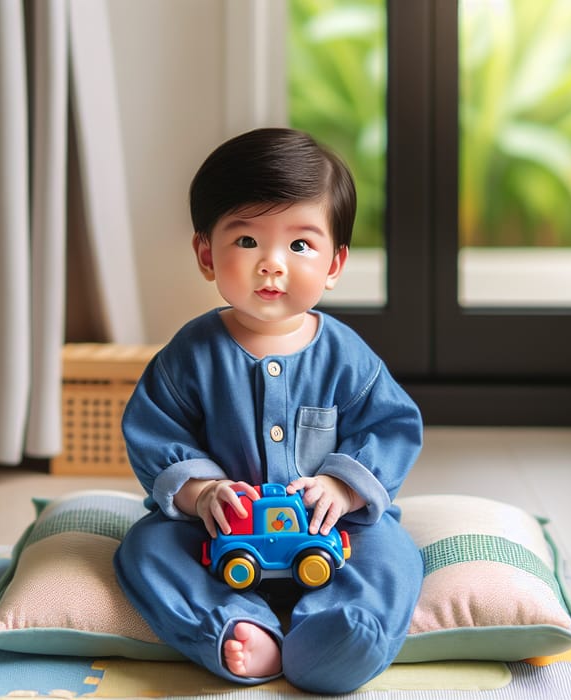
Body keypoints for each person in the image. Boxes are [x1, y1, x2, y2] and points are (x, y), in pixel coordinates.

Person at [114, 127, 424, 694]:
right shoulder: (191, 354)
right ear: (207, 254)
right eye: (248, 241)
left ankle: (338, 636)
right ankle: (235, 625)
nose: (272, 265)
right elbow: (154, 431)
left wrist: (345, 486)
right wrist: (200, 491)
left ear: (335, 262)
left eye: (300, 245)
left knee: (393, 554)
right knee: (146, 548)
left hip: (329, 533)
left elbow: (391, 427)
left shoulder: (348, 357)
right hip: (221, 536)